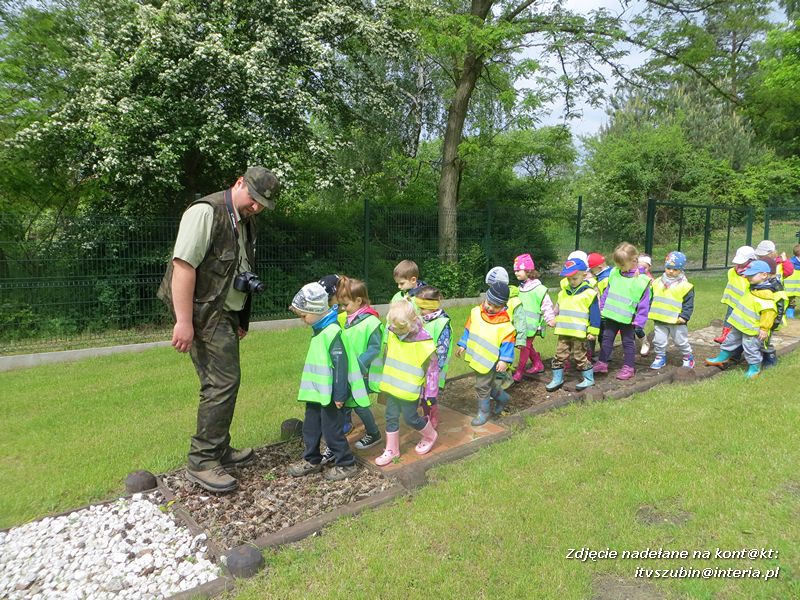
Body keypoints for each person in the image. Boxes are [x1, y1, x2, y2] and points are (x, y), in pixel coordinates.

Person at [157, 166, 280, 493]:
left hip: (223, 312)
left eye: (262, 205)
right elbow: (183, 267)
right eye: (253, 199)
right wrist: (183, 321)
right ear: (239, 183)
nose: (256, 207)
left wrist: (239, 318)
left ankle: (218, 448)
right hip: (202, 313)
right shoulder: (205, 212)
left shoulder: (244, 220)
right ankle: (203, 461)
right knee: (220, 381)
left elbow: (237, 271)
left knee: (227, 380)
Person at [287, 282, 358, 480]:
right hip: (316, 393)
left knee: (331, 430)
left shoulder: (333, 332)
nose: (303, 320)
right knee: (310, 427)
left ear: (317, 310)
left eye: (304, 315)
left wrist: (340, 394)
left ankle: (346, 463)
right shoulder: (320, 330)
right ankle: (311, 459)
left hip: (330, 395)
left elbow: (340, 366)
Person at [374, 301, 439, 466]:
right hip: (392, 386)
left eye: (400, 328)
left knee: (411, 419)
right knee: (390, 417)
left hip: (410, 389)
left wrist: (431, 393)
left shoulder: (424, 342)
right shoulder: (392, 331)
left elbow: (433, 369)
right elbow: (387, 356)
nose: (395, 330)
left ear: (412, 323)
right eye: (392, 326)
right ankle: (392, 450)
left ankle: (430, 434)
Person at [456, 282, 516, 425]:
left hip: (490, 361)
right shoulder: (476, 312)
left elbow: (508, 345)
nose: (491, 308)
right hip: (478, 357)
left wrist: (504, 360)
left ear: (503, 306)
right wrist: (463, 343)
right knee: (487, 384)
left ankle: (483, 412)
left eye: (496, 306)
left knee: (481, 386)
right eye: (489, 303)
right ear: (486, 298)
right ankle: (503, 398)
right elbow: (469, 329)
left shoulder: (505, 326)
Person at [706, 260, 777, 379]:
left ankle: (754, 369)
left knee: (750, 348)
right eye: (748, 275)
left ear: (764, 275)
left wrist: (764, 328)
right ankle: (721, 358)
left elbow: (769, 314)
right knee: (730, 341)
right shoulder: (753, 288)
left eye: (752, 275)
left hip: (751, 329)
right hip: (739, 325)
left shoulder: (765, 295)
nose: (748, 277)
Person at [335, 277, 384, 450]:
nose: (342, 308)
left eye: (345, 305)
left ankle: (374, 433)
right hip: (345, 370)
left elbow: (374, 349)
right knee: (345, 398)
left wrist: (358, 366)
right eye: (341, 305)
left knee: (359, 404)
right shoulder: (344, 318)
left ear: (358, 300)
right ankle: (345, 426)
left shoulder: (372, 323)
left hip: (360, 372)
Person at [594, 242, 651, 381]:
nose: (619, 267)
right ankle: (602, 362)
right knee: (607, 339)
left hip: (628, 319)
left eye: (622, 264)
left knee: (628, 343)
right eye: (617, 264)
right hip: (611, 315)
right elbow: (608, 290)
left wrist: (640, 321)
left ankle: (629, 367)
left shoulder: (642, 280)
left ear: (633, 261)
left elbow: (644, 303)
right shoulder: (614, 273)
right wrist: (602, 307)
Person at [546, 258, 600, 392]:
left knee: (580, 357)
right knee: (559, 355)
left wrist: (593, 331)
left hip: (579, 333)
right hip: (564, 331)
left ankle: (588, 379)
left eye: (574, 278)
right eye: (569, 279)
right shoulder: (562, 293)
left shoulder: (589, 294)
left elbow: (595, 315)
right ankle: (557, 379)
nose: (571, 281)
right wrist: (552, 317)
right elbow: (558, 308)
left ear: (584, 275)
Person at [511, 253, 555, 382]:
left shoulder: (539, 289)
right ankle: (538, 363)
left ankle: (519, 371)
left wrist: (550, 318)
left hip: (532, 325)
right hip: (520, 325)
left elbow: (546, 305)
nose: (516, 273)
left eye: (519, 270)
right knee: (528, 346)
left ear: (528, 270)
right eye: (515, 270)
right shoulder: (520, 288)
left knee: (524, 347)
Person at [647, 251, 695, 370]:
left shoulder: (685, 286)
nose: (671, 271)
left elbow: (688, 304)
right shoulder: (657, 282)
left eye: (675, 269)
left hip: (677, 321)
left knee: (680, 341)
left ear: (681, 270)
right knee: (659, 340)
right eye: (668, 268)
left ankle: (687, 356)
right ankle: (660, 356)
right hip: (660, 319)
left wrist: (684, 316)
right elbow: (650, 298)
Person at [417, 286, 452, 429]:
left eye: (423, 308)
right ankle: (426, 414)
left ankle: (433, 417)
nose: (420, 311)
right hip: (420, 365)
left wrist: (438, 369)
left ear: (432, 307)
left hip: (433, 368)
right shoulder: (422, 319)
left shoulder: (442, 323)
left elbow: (443, 349)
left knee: (430, 397)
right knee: (422, 395)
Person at [714, 245, 757, 344]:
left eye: (742, 262)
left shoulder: (753, 273)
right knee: (729, 317)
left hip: (745, 304)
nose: (739, 264)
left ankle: (741, 339)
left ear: (751, 260)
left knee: (742, 320)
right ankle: (724, 335)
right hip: (733, 301)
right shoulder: (733, 271)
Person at [635, 254, 654, 356]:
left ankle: (644, 342)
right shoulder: (633, 275)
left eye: (645, 267)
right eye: (639, 266)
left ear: (649, 267)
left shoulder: (650, 280)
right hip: (632, 306)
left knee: (638, 328)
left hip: (643, 307)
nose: (642, 269)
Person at [785, 244, 800, 318]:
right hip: (792, 288)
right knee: (791, 300)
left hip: (797, 286)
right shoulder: (791, 262)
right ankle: (789, 314)